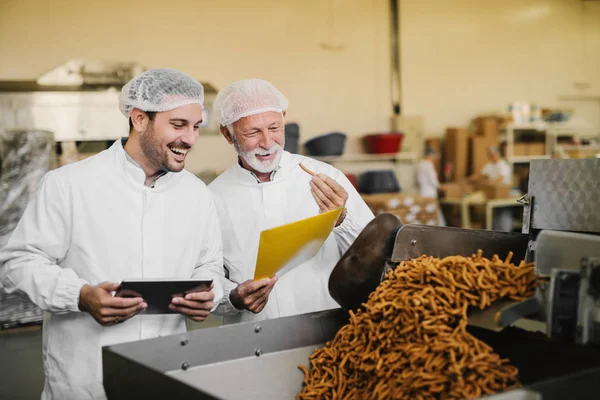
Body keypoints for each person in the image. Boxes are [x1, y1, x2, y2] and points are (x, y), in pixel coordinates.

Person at [0, 68, 225, 400]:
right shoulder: (69, 185)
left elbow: (208, 266)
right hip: (86, 377)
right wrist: (80, 295)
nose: (190, 139)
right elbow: (17, 263)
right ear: (139, 119)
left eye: (195, 127)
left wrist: (210, 293)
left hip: (167, 371)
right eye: (178, 125)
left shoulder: (196, 194)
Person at [208, 79, 374, 324]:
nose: (267, 143)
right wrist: (232, 298)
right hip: (253, 335)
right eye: (253, 132)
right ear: (227, 133)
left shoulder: (327, 178)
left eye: (274, 128)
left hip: (327, 329)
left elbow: (373, 256)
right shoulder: (213, 197)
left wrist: (342, 220)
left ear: (284, 117)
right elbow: (206, 277)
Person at [470, 146, 513, 231]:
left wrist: (490, 182)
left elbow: (501, 178)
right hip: (493, 194)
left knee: (503, 215)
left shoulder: (502, 165)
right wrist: (470, 178)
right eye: (489, 155)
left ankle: (505, 231)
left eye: (492, 155)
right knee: (496, 216)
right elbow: (481, 174)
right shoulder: (490, 165)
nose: (491, 157)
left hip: (503, 194)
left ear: (497, 154)